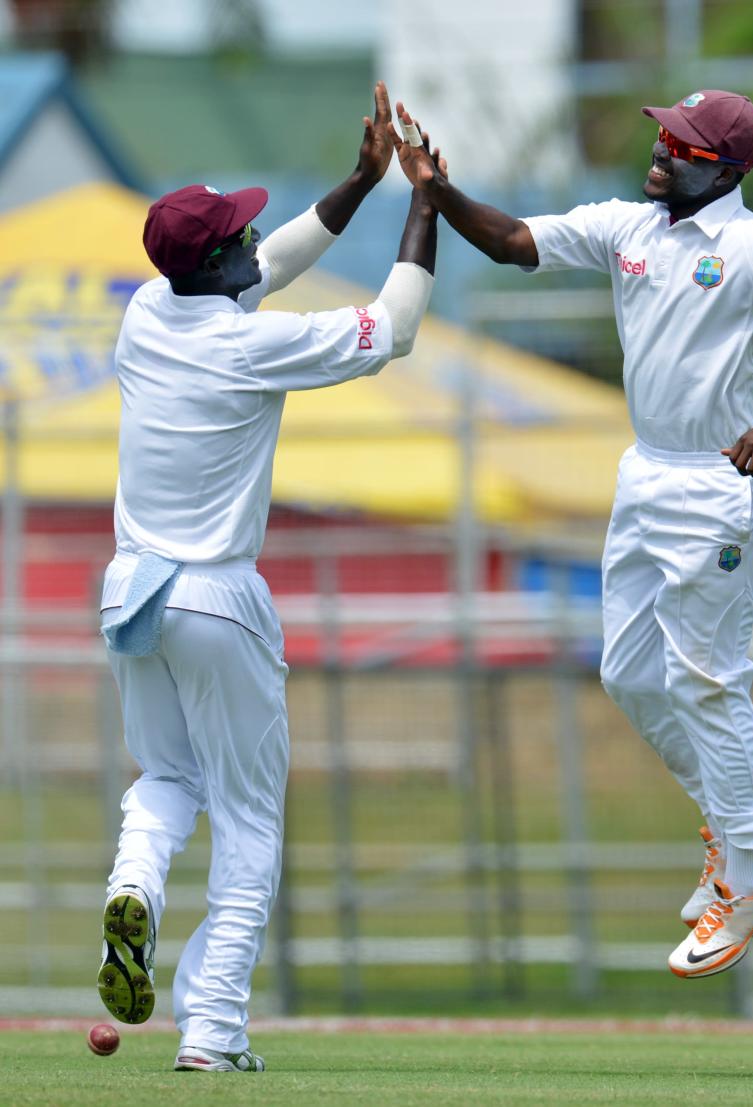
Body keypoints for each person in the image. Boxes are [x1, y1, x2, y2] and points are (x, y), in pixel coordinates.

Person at [389, 90, 753, 978]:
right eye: (663, 133)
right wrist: (435, 190)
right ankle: (749, 821)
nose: (661, 149)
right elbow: (514, 242)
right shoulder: (629, 225)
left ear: (724, 169)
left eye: (683, 145)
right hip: (646, 473)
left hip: (720, 482)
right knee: (626, 671)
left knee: (707, 682)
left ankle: (747, 881)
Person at [97, 83, 442, 1070]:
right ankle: (212, 1031)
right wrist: (422, 200)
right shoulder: (252, 345)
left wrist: (358, 181)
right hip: (216, 597)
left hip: (132, 594)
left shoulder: (149, 317)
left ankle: (137, 890)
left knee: (165, 777)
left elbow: (267, 262)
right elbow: (394, 329)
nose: (258, 243)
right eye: (239, 236)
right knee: (250, 820)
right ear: (217, 265)